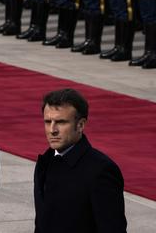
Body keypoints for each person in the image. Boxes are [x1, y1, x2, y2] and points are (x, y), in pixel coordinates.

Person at [34, 88, 126, 232]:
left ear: (81, 125)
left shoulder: (101, 171)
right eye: (47, 121)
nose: (52, 130)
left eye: (61, 122)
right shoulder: (45, 162)